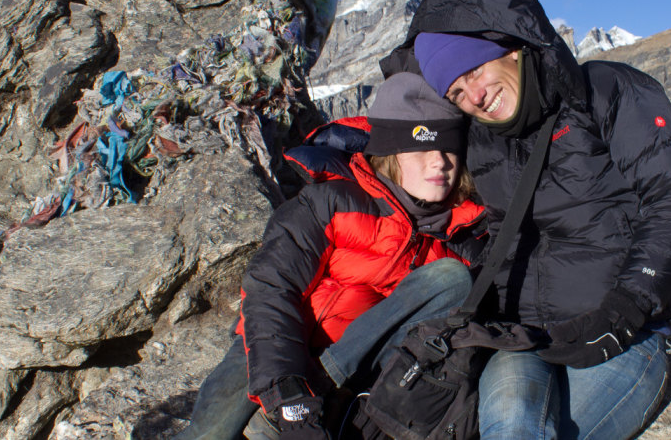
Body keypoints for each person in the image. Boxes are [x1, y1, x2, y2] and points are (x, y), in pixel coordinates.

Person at [380, 0, 671, 439]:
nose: (471, 96)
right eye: (454, 93)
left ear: (510, 44)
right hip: (521, 337)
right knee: (511, 428)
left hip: (622, 334)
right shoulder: (480, 139)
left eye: (471, 71)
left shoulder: (606, 90)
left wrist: (627, 308)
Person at [175, 73, 485, 440]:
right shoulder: (332, 201)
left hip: (354, 386)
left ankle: (310, 403)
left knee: (447, 279)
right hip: (283, 348)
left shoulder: (459, 239)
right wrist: (287, 393)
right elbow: (271, 286)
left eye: (449, 150)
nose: (439, 163)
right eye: (421, 149)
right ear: (391, 153)